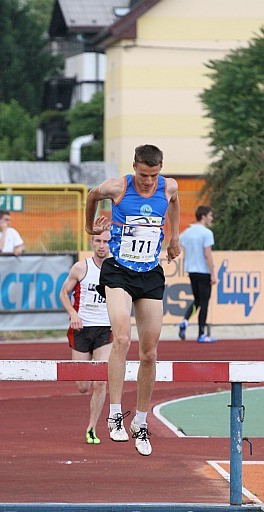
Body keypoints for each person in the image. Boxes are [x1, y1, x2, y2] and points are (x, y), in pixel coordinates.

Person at [85, 144, 181, 457]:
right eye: (143, 175)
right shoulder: (118, 187)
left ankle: (140, 421)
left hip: (150, 273)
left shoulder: (168, 187)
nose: (148, 182)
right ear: (134, 167)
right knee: (123, 338)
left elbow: (175, 203)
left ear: (160, 170)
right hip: (119, 272)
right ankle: (115, 414)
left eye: (153, 176)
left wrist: (174, 238)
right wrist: (91, 225)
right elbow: (90, 195)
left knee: (150, 353)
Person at [60, 230, 112, 445]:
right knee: (83, 386)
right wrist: (72, 313)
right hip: (82, 329)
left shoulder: (116, 269)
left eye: (106, 241)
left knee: (100, 382)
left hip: (104, 329)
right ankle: (86, 364)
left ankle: (91, 427)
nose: (102, 245)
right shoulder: (81, 268)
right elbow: (63, 293)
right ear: (92, 242)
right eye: (98, 241)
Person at [178, 205, 216, 343]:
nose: (211, 218)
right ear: (204, 216)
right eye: (210, 215)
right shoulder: (206, 233)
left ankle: (185, 321)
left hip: (191, 270)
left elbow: (179, 244)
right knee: (204, 303)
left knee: (197, 300)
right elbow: (207, 255)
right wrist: (213, 273)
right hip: (203, 271)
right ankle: (201, 334)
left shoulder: (187, 232)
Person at [0, 210, 24, 340]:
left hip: (8, 272)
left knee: (4, 299)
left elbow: (20, 245)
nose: (9, 223)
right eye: (6, 220)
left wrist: (19, 249)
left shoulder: (13, 232)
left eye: (9, 220)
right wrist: (4, 232)